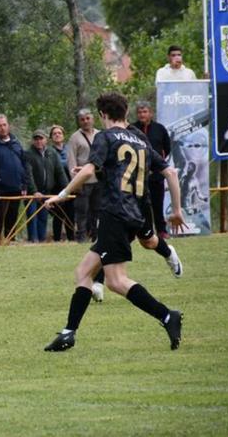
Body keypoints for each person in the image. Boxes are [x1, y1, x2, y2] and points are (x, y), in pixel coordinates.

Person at [43, 92, 186, 352]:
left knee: (116, 281)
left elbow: (88, 170)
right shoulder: (140, 139)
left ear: (103, 115)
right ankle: (68, 333)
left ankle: (167, 316)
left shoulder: (104, 137)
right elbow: (170, 172)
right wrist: (176, 210)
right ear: (126, 111)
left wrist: (62, 195)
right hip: (135, 213)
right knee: (83, 272)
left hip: (114, 214)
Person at [0, 114, 30, 243]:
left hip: (16, 188)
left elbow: (24, 165)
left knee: (12, 218)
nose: (2, 128)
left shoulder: (16, 143)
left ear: (8, 126)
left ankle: (10, 241)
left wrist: (24, 185)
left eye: (4, 125)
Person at [132, 101, 172, 239]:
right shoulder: (131, 129)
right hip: (137, 175)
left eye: (144, 112)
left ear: (150, 113)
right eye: (139, 112)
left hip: (156, 175)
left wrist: (157, 165)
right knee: (139, 205)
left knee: (157, 203)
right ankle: (143, 232)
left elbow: (167, 148)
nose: (142, 115)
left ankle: (161, 230)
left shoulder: (159, 129)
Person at [24, 130, 67, 243]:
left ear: (46, 140)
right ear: (33, 141)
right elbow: (28, 174)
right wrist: (34, 191)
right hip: (32, 194)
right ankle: (33, 241)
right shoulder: (28, 154)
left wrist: (67, 189)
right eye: (36, 139)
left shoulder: (52, 153)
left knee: (43, 218)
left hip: (46, 192)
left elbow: (60, 172)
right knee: (32, 218)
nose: (38, 141)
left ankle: (42, 241)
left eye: (41, 138)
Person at [66, 109, 100, 242]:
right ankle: (81, 237)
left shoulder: (100, 134)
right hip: (83, 181)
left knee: (98, 210)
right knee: (82, 211)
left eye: (87, 118)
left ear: (92, 119)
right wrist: (75, 182)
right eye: (82, 119)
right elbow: (71, 161)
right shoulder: (75, 137)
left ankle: (97, 236)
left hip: (99, 179)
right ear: (79, 121)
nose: (85, 121)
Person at [48, 125, 74, 241]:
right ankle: (57, 239)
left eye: (59, 133)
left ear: (63, 135)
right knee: (58, 214)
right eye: (54, 133)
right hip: (56, 187)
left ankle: (71, 238)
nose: (57, 135)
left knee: (70, 213)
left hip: (70, 184)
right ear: (51, 137)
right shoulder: (49, 151)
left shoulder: (69, 149)